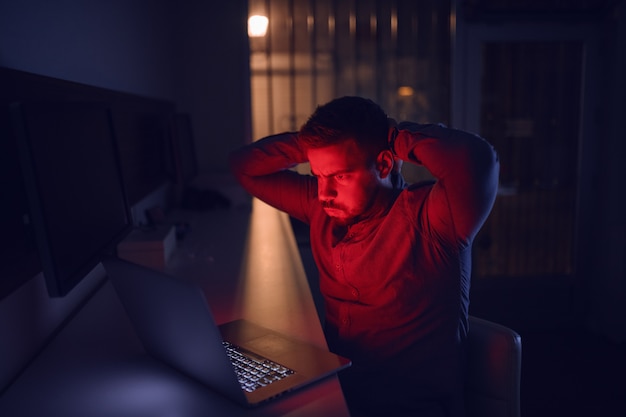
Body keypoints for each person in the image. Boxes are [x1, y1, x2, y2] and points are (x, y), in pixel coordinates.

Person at [229, 96, 499, 416]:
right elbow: (244, 167)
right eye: (318, 176)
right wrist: (313, 145)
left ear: (384, 164)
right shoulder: (322, 208)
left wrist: (392, 136)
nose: (324, 193)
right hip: (333, 394)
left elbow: (477, 159)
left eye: (341, 176)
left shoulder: (433, 218)